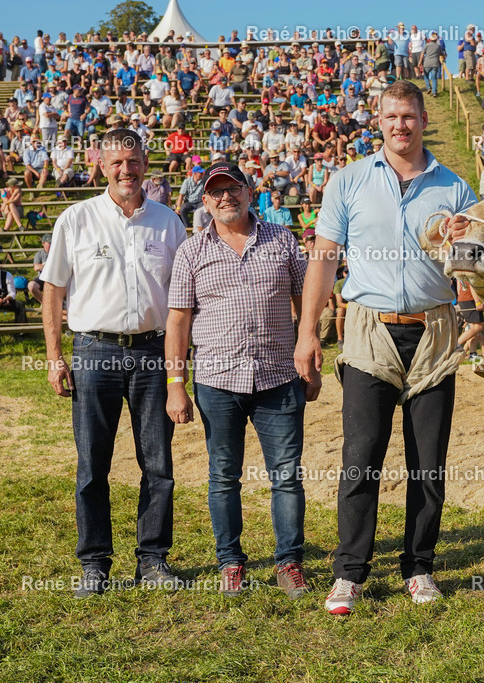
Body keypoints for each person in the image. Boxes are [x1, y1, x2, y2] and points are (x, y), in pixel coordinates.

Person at [294, 80, 477, 616]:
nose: (402, 125)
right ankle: (350, 572)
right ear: (379, 120)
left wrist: (471, 306)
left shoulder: (456, 189)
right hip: (369, 328)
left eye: (410, 116)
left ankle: (419, 567)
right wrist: (309, 332)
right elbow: (324, 260)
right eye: (392, 116)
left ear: (423, 120)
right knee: (361, 456)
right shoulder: (348, 181)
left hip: (435, 329)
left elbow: (467, 265)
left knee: (429, 462)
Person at [40, 128, 186, 597]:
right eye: (117, 162)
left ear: (146, 162)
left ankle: (153, 560)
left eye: (134, 160)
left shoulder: (168, 222)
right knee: (92, 466)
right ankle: (95, 563)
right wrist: (54, 357)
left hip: (153, 352)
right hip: (93, 351)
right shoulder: (76, 219)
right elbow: (54, 291)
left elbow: (183, 298)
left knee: (158, 463)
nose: (127, 170)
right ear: (101, 165)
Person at [165, 162, 314, 599]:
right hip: (217, 379)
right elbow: (178, 321)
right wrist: (176, 383)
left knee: (286, 476)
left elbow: (307, 302)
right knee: (223, 476)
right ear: (205, 200)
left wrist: (312, 360)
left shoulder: (282, 240)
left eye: (233, 189)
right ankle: (231, 561)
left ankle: (289, 562)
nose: (226, 197)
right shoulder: (192, 252)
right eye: (217, 192)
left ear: (250, 193)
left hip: (279, 377)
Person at [0, 253, 26, 323]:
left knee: (19, 305)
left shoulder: (8, 275)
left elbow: (12, 292)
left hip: (5, 300)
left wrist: (8, 298)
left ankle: (21, 331)